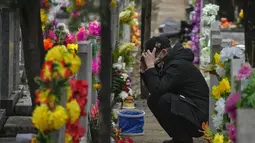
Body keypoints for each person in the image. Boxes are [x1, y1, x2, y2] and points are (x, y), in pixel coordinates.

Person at [141, 35, 209, 143]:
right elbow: (154, 89)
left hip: (200, 117)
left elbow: (157, 89)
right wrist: (146, 70)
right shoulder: (170, 61)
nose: (150, 59)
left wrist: (151, 67)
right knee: (154, 99)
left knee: (162, 100)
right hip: (191, 108)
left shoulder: (177, 65)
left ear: (163, 52)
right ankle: (179, 138)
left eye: (152, 56)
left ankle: (182, 139)